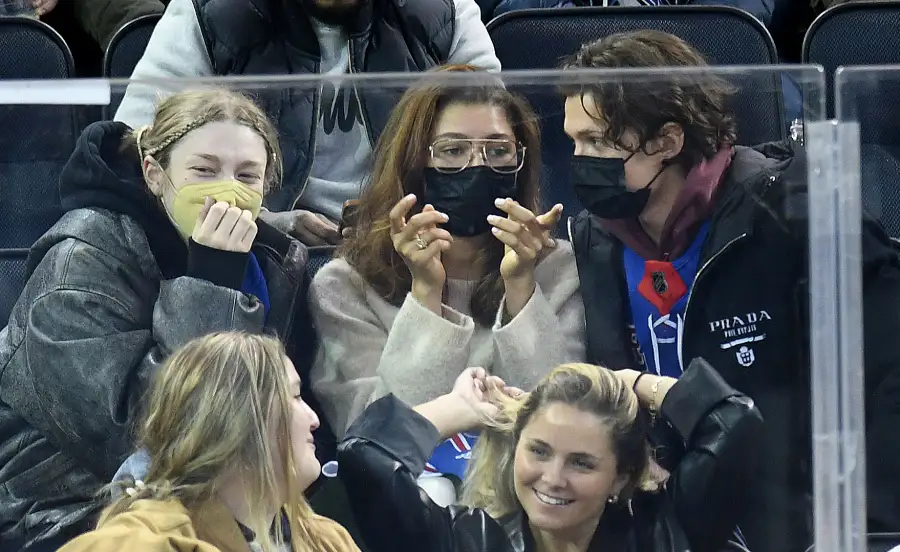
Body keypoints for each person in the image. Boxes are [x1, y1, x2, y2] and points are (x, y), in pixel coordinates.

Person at [561, 30, 900, 552]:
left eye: (600, 142)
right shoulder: (594, 238)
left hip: (793, 519)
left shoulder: (792, 209)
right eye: (575, 141)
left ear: (669, 142)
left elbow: (888, 370)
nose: (580, 160)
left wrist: (868, 527)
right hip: (661, 515)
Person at [0, 89, 309, 551]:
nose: (227, 189)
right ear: (155, 174)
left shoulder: (266, 263)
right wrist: (210, 285)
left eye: (247, 175)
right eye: (203, 170)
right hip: (62, 508)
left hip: (215, 495)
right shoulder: (78, 262)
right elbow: (136, 437)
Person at [309, 67, 585, 442]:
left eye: (498, 151)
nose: (476, 166)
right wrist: (426, 295)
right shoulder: (344, 286)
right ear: (413, 165)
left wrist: (521, 286)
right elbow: (378, 440)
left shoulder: (558, 267)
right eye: (452, 151)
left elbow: (564, 426)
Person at [114, 0, 501, 246]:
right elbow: (140, 150)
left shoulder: (445, 14)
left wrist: (410, 221)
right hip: (253, 250)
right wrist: (265, 222)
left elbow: (497, 143)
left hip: (411, 247)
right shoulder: (206, 14)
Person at [337, 358, 763, 552]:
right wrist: (458, 409)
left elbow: (736, 421)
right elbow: (366, 459)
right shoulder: (473, 542)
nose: (553, 477)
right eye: (539, 451)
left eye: (582, 462)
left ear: (620, 475)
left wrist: (635, 382)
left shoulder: (666, 530)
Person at [58, 332, 358, 552]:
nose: (314, 419)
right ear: (236, 421)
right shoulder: (145, 541)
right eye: (294, 396)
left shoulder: (327, 541)